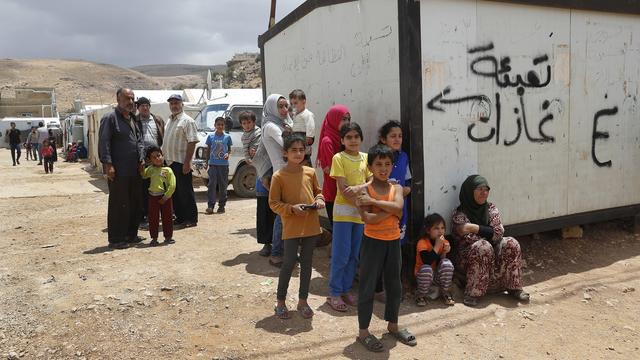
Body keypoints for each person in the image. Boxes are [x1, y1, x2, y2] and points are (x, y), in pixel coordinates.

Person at [355, 144, 416, 352]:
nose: (384, 168)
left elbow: (399, 208)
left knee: (394, 285)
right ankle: (363, 332)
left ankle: (393, 325)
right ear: (370, 166)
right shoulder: (363, 189)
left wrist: (374, 202)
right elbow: (368, 219)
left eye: (388, 164)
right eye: (378, 164)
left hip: (393, 241)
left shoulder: (395, 188)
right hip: (372, 242)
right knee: (367, 286)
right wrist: (391, 212)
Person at [269, 134, 325, 319]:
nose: (298, 153)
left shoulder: (309, 172)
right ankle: (281, 301)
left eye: (301, 150)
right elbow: (273, 203)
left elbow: (318, 192)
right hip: (291, 226)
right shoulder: (278, 176)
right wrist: (291, 209)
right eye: (294, 150)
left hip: (310, 224)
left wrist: (319, 200)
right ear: (285, 153)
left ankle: (303, 301)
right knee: (289, 262)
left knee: (307, 263)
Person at [452, 174, 530, 307]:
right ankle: (473, 293)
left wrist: (473, 227)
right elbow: (469, 238)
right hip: (468, 261)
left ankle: (514, 287)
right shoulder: (459, 214)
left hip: (491, 253)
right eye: (479, 189)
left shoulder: (491, 208)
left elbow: (499, 232)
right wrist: (489, 233)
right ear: (469, 191)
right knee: (483, 246)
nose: (484, 193)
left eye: (486, 189)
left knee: (511, 242)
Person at [326, 122, 371, 312]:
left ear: (361, 139)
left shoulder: (366, 157)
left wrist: (360, 188)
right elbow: (344, 190)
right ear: (342, 140)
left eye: (356, 137)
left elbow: (372, 180)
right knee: (341, 255)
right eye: (349, 137)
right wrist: (361, 194)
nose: (353, 140)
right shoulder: (339, 158)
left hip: (359, 213)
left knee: (354, 255)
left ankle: (345, 289)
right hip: (344, 212)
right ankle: (334, 293)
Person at [98, 88, 146, 250]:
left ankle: (131, 235)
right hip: (118, 171)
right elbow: (104, 142)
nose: (130, 102)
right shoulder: (110, 118)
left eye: (132, 99)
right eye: (127, 98)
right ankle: (116, 238)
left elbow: (139, 141)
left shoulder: (132, 118)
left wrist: (141, 159)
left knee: (134, 203)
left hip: (135, 170)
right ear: (118, 99)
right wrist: (108, 165)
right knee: (119, 204)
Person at [252, 94, 292, 267]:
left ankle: (287, 251)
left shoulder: (284, 123)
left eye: (286, 106)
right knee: (282, 216)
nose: (284, 110)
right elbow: (288, 144)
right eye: (280, 107)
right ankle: (276, 253)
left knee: (289, 216)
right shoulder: (270, 126)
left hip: (291, 173)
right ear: (272, 108)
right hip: (281, 174)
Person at [374, 120, 412, 302]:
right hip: (381, 209)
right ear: (383, 139)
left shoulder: (404, 157)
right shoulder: (378, 158)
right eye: (393, 136)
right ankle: (378, 288)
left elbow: (408, 183)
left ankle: (394, 287)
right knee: (380, 251)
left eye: (400, 136)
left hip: (399, 211)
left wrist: (403, 191)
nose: (397, 139)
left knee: (396, 251)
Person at [162, 94, 198, 228]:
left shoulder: (187, 121)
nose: (174, 105)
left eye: (176, 103)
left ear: (182, 104)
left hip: (181, 162)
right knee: (175, 192)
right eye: (171, 103)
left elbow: (192, 141)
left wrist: (187, 162)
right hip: (170, 162)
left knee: (185, 191)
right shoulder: (170, 120)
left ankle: (191, 219)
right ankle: (181, 217)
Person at [316, 105, 351, 225]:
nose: (346, 122)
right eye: (343, 119)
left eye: (348, 119)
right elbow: (330, 169)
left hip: (346, 189)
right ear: (334, 120)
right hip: (333, 192)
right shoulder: (328, 141)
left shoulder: (346, 138)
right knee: (338, 229)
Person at [135, 96, 166, 230]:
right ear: (138, 108)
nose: (145, 107)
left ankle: (156, 214)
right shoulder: (134, 120)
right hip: (143, 158)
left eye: (147, 105)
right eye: (142, 105)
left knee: (158, 185)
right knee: (143, 188)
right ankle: (142, 215)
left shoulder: (158, 119)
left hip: (156, 158)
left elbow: (162, 137)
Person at [414, 213, 455, 306]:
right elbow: (427, 261)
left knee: (447, 263)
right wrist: (437, 246)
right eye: (436, 228)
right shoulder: (422, 242)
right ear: (428, 230)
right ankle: (420, 295)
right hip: (424, 276)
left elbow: (442, 263)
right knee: (427, 269)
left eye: (442, 228)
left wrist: (445, 252)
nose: (440, 231)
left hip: (436, 277)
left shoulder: (444, 242)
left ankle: (445, 292)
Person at [140, 146, 176, 246]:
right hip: (153, 197)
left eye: (159, 156)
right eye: (154, 157)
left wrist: (165, 197)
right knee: (153, 218)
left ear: (163, 156)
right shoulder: (150, 169)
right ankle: (154, 238)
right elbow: (143, 175)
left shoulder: (168, 170)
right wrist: (142, 168)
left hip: (165, 198)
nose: (157, 159)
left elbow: (172, 185)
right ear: (150, 160)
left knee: (167, 217)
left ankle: (168, 237)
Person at [205, 116, 232, 214]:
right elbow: (208, 150)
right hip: (213, 165)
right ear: (215, 125)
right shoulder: (210, 136)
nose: (220, 126)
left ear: (224, 126)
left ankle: (221, 206)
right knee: (211, 185)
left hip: (223, 165)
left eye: (222, 124)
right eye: (218, 124)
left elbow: (229, 149)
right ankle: (210, 206)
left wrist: (227, 154)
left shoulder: (227, 137)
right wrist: (206, 162)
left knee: (223, 186)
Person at [289, 89, 315, 166]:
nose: (293, 106)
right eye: (292, 103)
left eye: (296, 103)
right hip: (296, 143)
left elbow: (310, 133)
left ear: (304, 101)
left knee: (305, 166)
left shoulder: (307, 114)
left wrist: (305, 144)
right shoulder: (295, 114)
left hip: (303, 143)